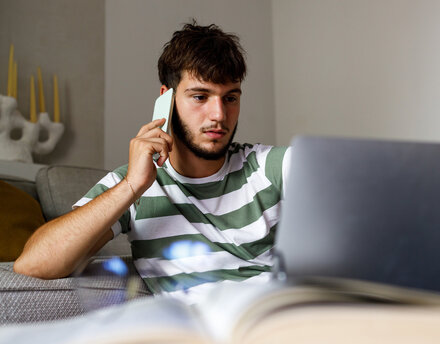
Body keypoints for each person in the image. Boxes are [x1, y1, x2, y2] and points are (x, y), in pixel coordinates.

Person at [14, 22, 290, 303]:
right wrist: (132, 186)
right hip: (197, 332)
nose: (219, 115)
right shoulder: (131, 184)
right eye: (200, 96)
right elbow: (33, 264)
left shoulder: (269, 166)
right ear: (166, 99)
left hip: (283, 318)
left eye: (230, 98)